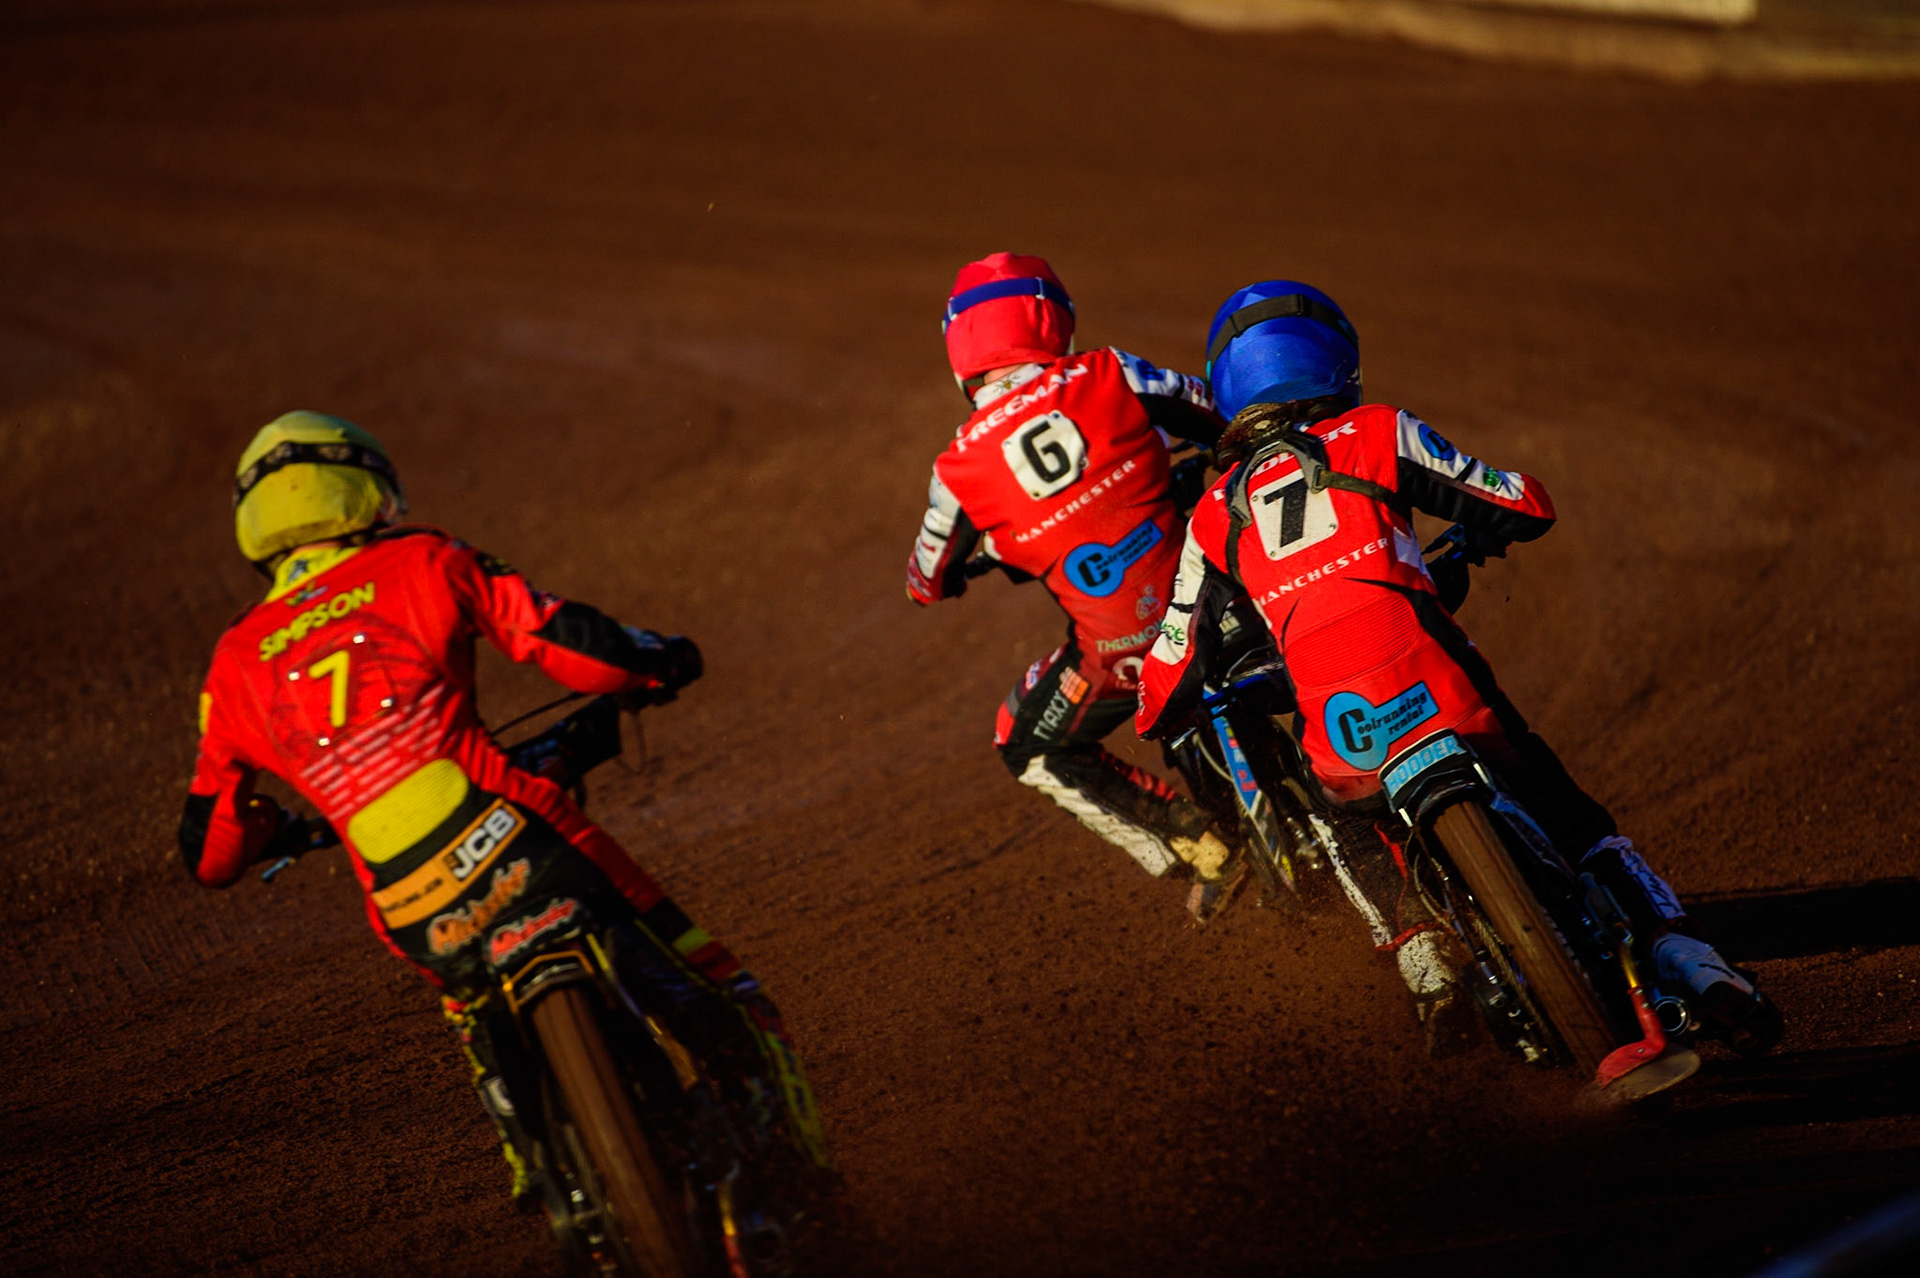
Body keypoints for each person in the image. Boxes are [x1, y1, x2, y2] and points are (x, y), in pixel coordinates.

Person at [179, 410, 827, 1207]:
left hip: (408, 905)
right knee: (731, 1004)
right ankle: (817, 1206)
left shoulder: (234, 661)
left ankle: (542, 1168)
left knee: (470, 1000)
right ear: (364, 484)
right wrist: (656, 661)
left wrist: (271, 827)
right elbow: (581, 653)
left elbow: (209, 852)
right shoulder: (422, 560)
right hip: (528, 839)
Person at [1136, 280, 1781, 1060]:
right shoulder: (1378, 431)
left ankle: (1420, 956)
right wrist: (1486, 526)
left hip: (1344, 733)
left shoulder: (1212, 515)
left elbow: (1169, 669)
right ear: (1338, 365)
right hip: (1441, 686)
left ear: (1230, 391)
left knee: (1348, 824)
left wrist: (1163, 710)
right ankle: (1684, 951)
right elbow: (1523, 503)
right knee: (1570, 818)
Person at [906, 252, 1240, 921]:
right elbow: (1216, 412)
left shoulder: (957, 469)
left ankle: (1200, 844)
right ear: (1050, 319)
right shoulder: (1111, 371)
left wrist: (986, 554)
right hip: (1225, 602)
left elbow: (925, 579)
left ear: (960, 348)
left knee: (1023, 741)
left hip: (1122, 654)